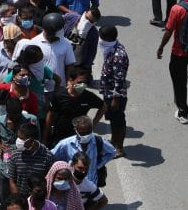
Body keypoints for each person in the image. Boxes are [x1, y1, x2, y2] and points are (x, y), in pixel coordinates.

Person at [44, 69, 104, 146]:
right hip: (60, 136)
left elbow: (103, 107)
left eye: (84, 82)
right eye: (79, 82)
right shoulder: (60, 96)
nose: (82, 85)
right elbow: (50, 116)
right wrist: (44, 138)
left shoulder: (88, 96)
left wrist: (93, 123)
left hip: (79, 138)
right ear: (71, 81)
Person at [52, 115, 113, 188]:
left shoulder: (99, 142)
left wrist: (98, 165)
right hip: (71, 186)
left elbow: (112, 152)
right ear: (76, 130)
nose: (86, 136)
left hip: (91, 185)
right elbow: (51, 157)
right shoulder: (65, 144)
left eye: (88, 132)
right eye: (82, 133)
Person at [98, 25, 129, 157]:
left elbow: (120, 79)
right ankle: (113, 141)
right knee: (112, 119)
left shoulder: (118, 55)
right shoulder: (110, 48)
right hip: (108, 92)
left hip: (115, 95)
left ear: (107, 39)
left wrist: (116, 98)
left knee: (118, 120)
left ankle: (120, 148)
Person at [5, 124, 54, 197]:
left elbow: (49, 181)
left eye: (21, 138)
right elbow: (12, 180)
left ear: (32, 140)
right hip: (21, 197)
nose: (18, 140)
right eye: (18, 137)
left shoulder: (47, 156)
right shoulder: (15, 154)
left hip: (39, 199)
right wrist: (19, 200)